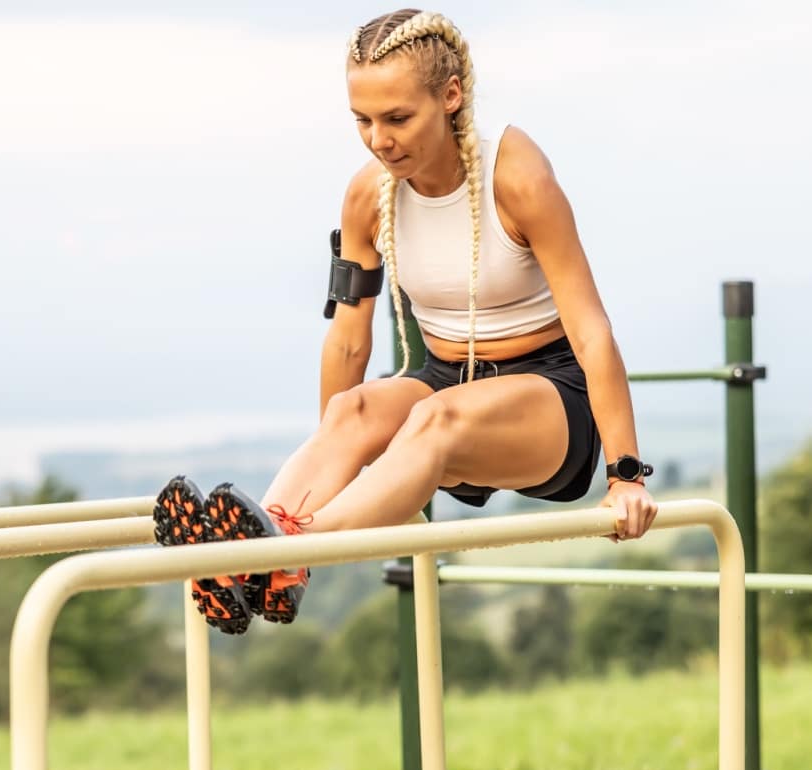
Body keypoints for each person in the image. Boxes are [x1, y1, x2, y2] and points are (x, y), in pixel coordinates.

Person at [155, 8, 657, 635]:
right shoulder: (369, 196)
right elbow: (347, 341)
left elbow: (591, 330)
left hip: (549, 397)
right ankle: (265, 544)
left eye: (397, 118)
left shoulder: (517, 176)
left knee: (434, 418)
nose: (378, 139)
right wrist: (337, 469)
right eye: (362, 120)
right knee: (353, 411)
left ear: (450, 96)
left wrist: (625, 475)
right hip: (445, 377)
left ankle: (282, 554)